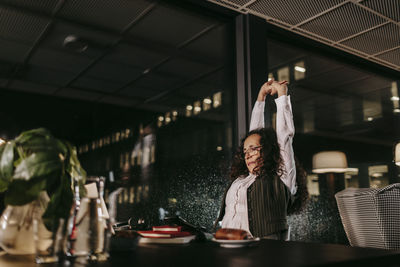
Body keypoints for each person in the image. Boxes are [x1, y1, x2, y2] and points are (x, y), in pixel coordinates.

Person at [214, 79, 308, 240]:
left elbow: (284, 136)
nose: (248, 154)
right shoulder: (242, 179)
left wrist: (282, 95)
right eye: (245, 151)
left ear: (268, 151)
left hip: (264, 253)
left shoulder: (282, 176)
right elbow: (253, 136)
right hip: (227, 247)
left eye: (254, 150)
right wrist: (260, 98)